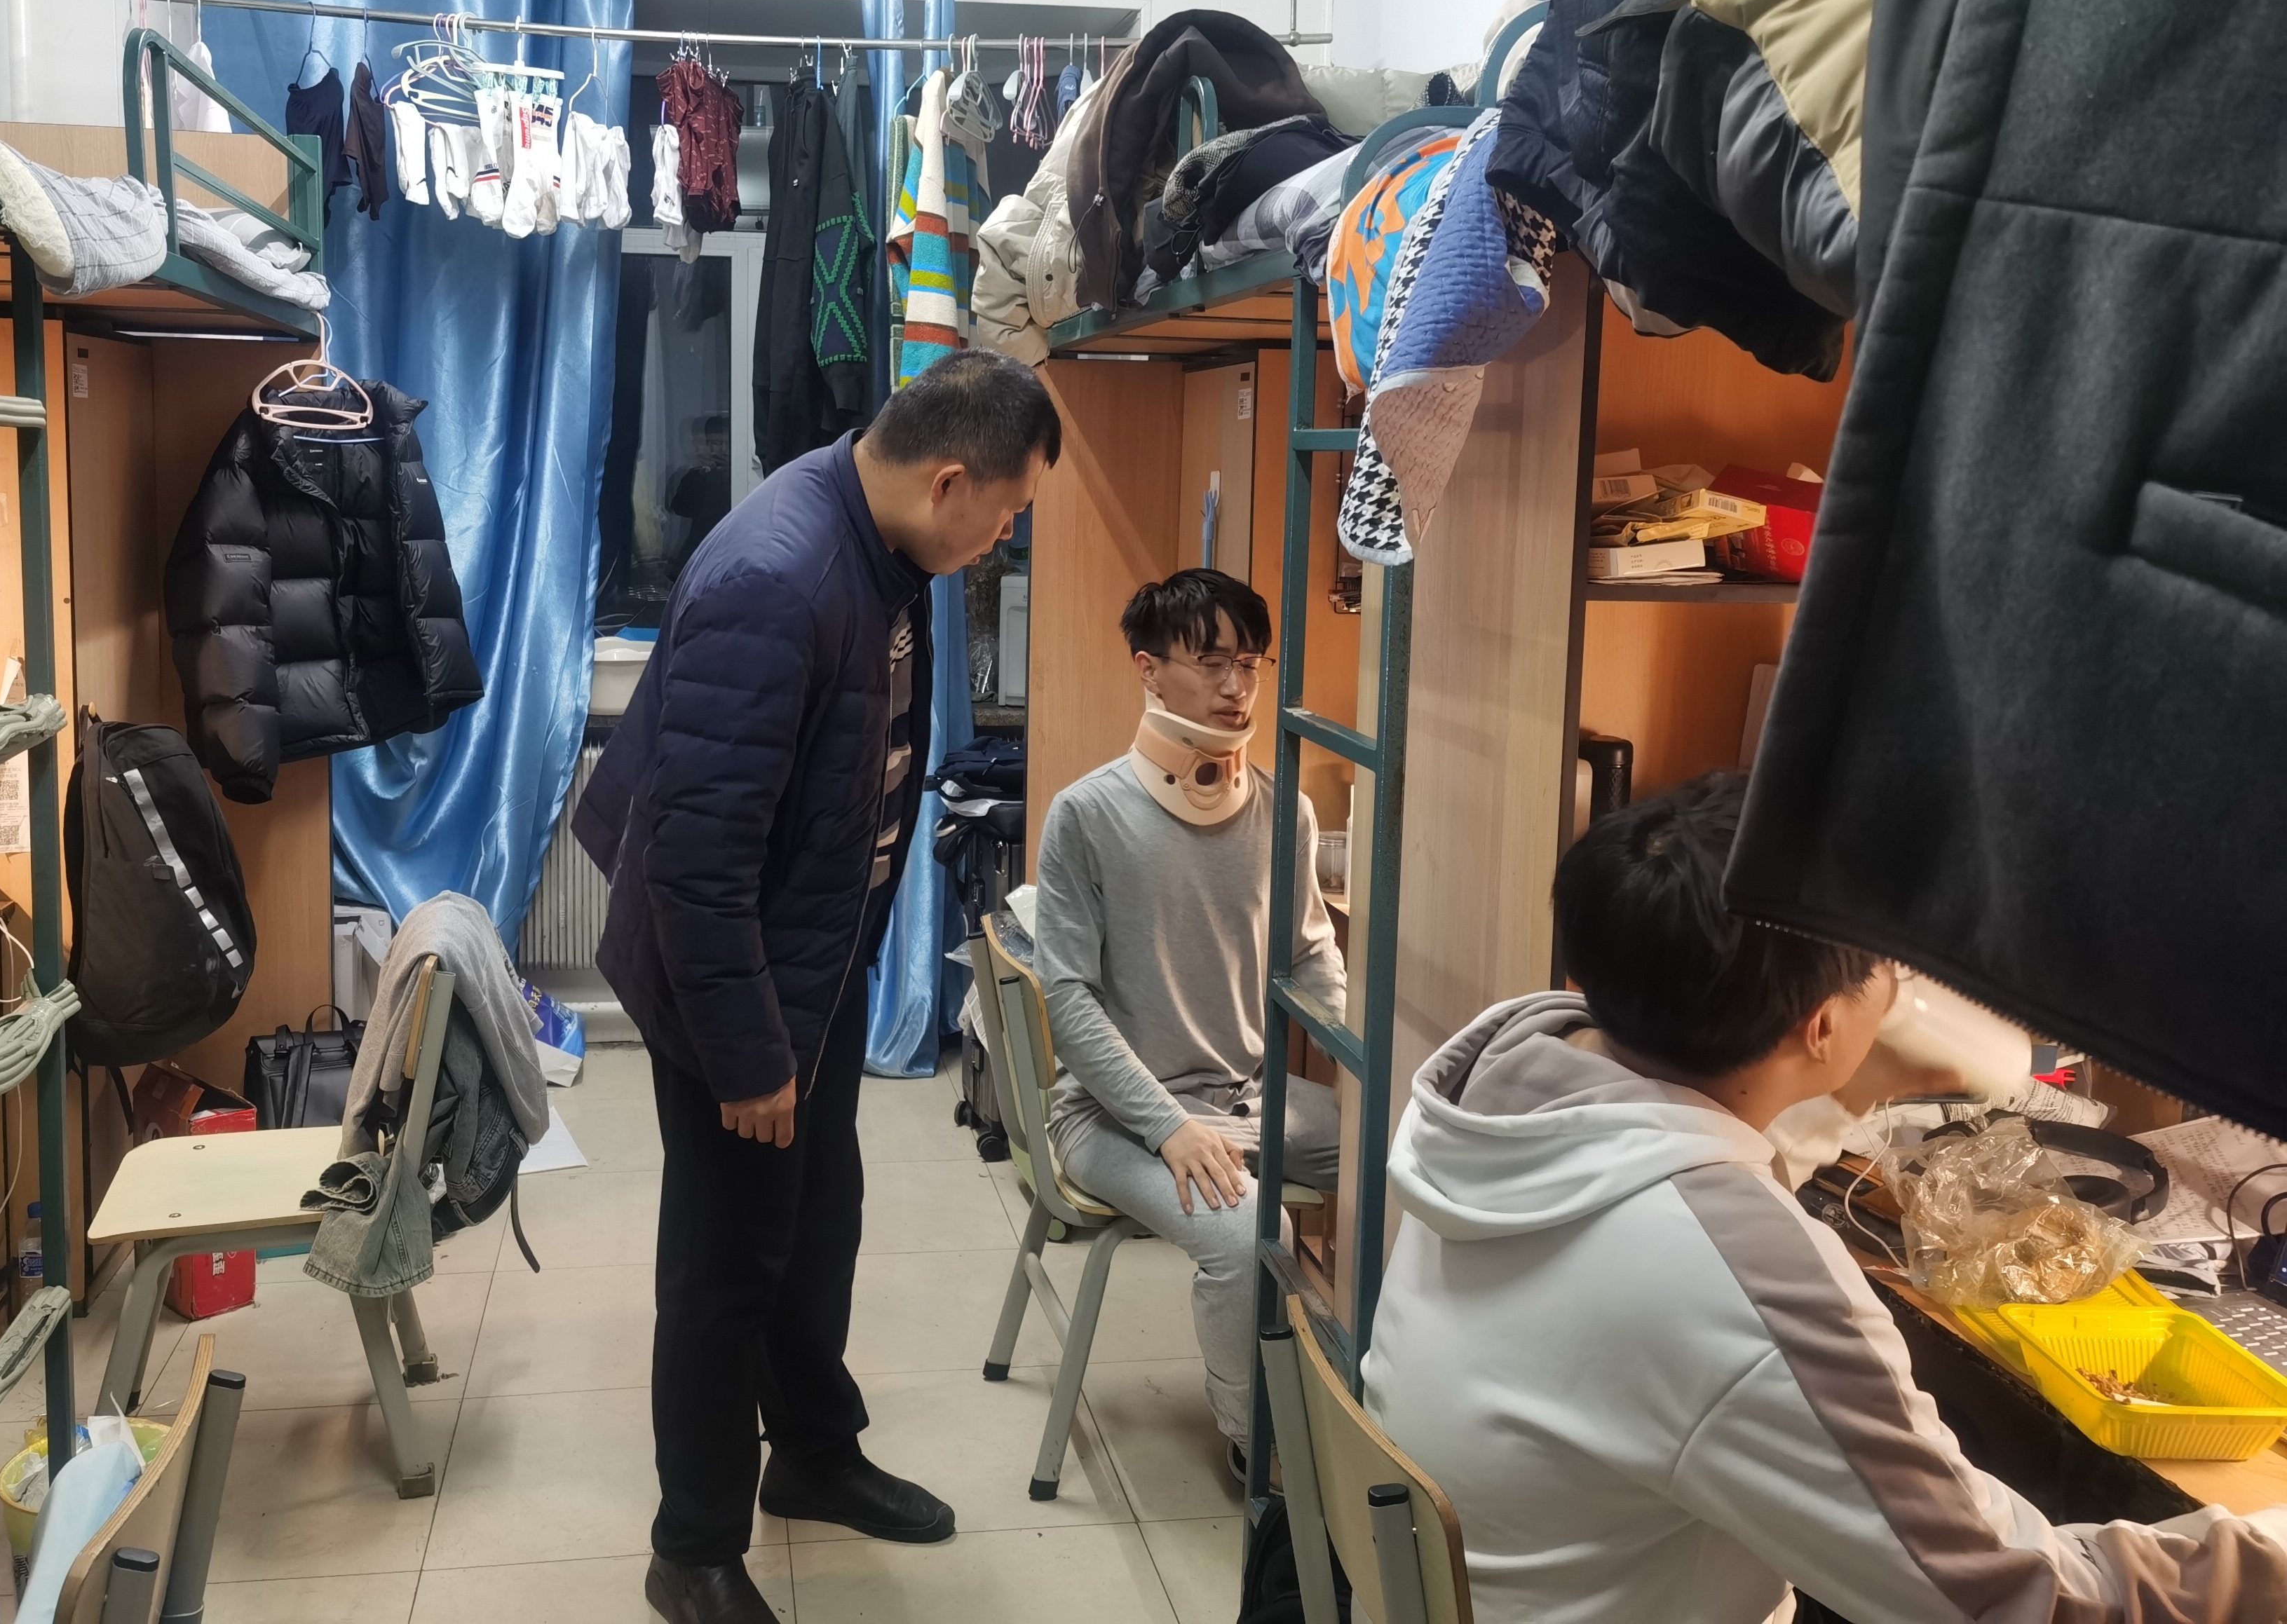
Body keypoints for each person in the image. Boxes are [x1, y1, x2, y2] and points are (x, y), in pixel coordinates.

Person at [1361, 770, 2287, 1624]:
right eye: (1890, 965)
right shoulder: (1736, 1282)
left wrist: (1837, 1089)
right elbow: (2018, 1599)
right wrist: (2265, 1555)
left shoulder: (1506, 1097)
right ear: (1824, 1022)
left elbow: (1692, 1183)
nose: (1901, 984)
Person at [577, 348, 1062, 1624]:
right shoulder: (777, 579)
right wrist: (749, 1056)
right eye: (1006, 513)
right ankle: (691, 1546)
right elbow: (696, 866)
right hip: (725, 978)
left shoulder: (882, 548)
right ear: (949, 481)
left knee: (816, 1219)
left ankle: (811, 1450)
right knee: (726, 1260)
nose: (1004, 537)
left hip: (810, 955)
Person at [1031, 568, 1343, 1461]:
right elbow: (1069, 999)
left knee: (1403, 1162)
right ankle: (1261, 1452)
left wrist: (1361, 1064)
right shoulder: (1086, 814)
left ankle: (1367, 1403)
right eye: (1211, 663)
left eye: (1251, 663)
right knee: (1250, 1235)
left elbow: (1311, 954)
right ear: (1149, 670)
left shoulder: (1286, 811)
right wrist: (1167, 1126)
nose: (1238, 686)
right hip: (1114, 1118)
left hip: (1247, 1097)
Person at [667, 412, 733, 561]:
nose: (723, 449)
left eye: (727, 442)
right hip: (699, 552)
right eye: (716, 443)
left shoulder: (740, 476)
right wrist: (701, 475)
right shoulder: (695, 474)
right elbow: (678, 507)